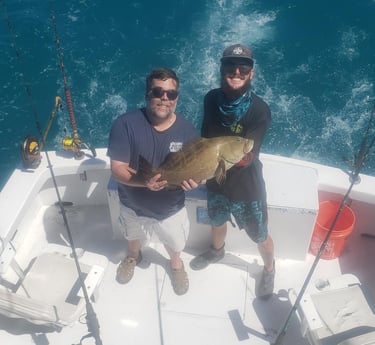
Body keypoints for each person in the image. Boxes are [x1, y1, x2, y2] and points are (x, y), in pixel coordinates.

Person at [190, 44, 275, 299]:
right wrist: (196, 168)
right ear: (221, 69)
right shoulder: (210, 99)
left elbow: (249, 155)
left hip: (246, 187)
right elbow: (204, 140)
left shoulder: (260, 110)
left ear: (251, 73)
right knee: (216, 221)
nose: (236, 71)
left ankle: (269, 268)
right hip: (216, 180)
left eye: (243, 67)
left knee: (259, 234)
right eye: (230, 66)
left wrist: (214, 161)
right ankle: (217, 251)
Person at [107, 67, 199, 296]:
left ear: (177, 98)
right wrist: (144, 183)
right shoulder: (125, 124)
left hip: (170, 209)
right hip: (131, 203)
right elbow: (117, 169)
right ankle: (132, 257)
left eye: (171, 94)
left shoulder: (188, 130)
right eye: (158, 92)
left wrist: (196, 181)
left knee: (175, 245)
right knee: (132, 235)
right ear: (148, 94)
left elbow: (198, 169)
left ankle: (176, 264)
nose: (164, 98)